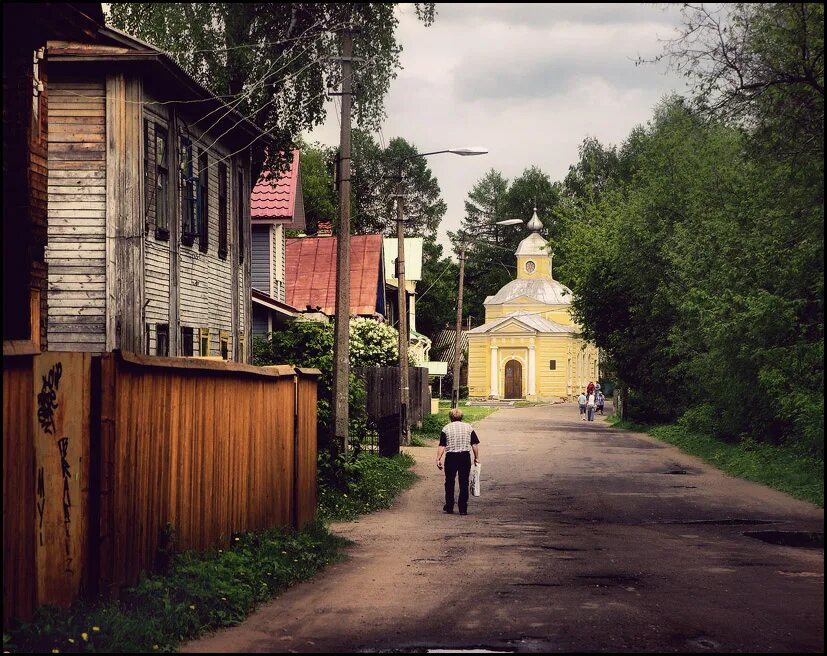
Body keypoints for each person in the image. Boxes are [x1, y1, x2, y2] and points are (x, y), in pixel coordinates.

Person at [436, 408, 480, 515]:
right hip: (464, 457)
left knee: (449, 482)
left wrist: (438, 458)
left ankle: (449, 506)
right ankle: (463, 508)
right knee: (464, 482)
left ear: (450, 417)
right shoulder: (468, 427)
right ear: (462, 417)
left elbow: (442, 445)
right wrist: (476, 457)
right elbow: (474, 444)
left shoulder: (446, 428)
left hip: (451, 457)